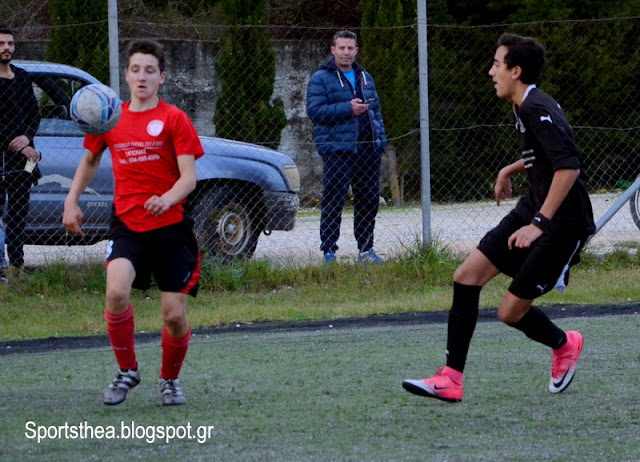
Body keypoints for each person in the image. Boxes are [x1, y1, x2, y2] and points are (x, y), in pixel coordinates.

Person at [402, 33, 595, 402]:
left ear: (515, 71)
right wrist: (509, 169)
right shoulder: (525, 105)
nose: (491, 72)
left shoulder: (536, 107)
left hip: (562, 223)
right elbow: (547, 155)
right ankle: (451, 379)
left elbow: (569, 167)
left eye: (496, 64)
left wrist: (538, 224)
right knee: (466, 276)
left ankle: (564, 344)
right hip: (533, 207)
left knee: (510, 313)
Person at [63, 39, 204, 406]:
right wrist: (71, 200)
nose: (142, 77)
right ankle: (127, 370)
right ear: (125, 75)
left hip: (171, 228)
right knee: (115, 293)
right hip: (127, 225)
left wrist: (167, 198)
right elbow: (90, 160)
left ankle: (169, 379)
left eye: (150, 71)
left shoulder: (174, 119)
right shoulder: (109, 117)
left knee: (174, 317)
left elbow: (189, 178)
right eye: (136, 70)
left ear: (162, 77)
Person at [306, 30, 387, 263]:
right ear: (333, 50)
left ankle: (366, 250)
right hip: (338, 151)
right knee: (334, 201)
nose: (346, 52)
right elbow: (315, 112)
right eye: (341, 48)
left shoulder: (365, 77)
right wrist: (347, 109)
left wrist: (380, 141)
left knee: (368, 201)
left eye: (350, 48)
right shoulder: (320, 78)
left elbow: (376, 112)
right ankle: (329, 252)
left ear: (356, 51)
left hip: (368, 151)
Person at [0, 25, 42, 274]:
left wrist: (26, 138)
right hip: (1, 158)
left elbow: (34, 114)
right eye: (1, 43)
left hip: (23, 160)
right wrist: (12, 142)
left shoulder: (23, 77)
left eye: (10, 43)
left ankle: (17, 266)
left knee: (18, 213)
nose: (6, 48)